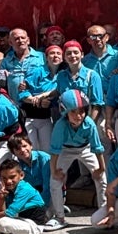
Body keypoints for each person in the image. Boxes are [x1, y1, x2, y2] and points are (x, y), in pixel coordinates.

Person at [48, 88, 106, 222]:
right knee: (55, 181)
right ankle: (59, 216)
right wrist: (54, 171)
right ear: (64, 111)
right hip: (65, 150)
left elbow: (97, 148)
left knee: (101, 178)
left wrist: (101, 169)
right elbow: (54, 150)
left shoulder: (89, 124)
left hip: (85, 149)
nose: (78, 115)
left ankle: (103, 212)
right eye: (73, 111)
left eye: (82, 111)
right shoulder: (60, 125)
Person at [0, 126, 60, 228]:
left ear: (31, 145)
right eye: (17, 149)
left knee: (43, 218)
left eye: (24, 146)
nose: (22, 150)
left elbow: (47, 186)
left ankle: (56, 212)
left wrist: (42, 206)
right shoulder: (18, 166)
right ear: (14, 153)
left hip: (49, 192)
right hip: (35, 193)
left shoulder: (43, 158)